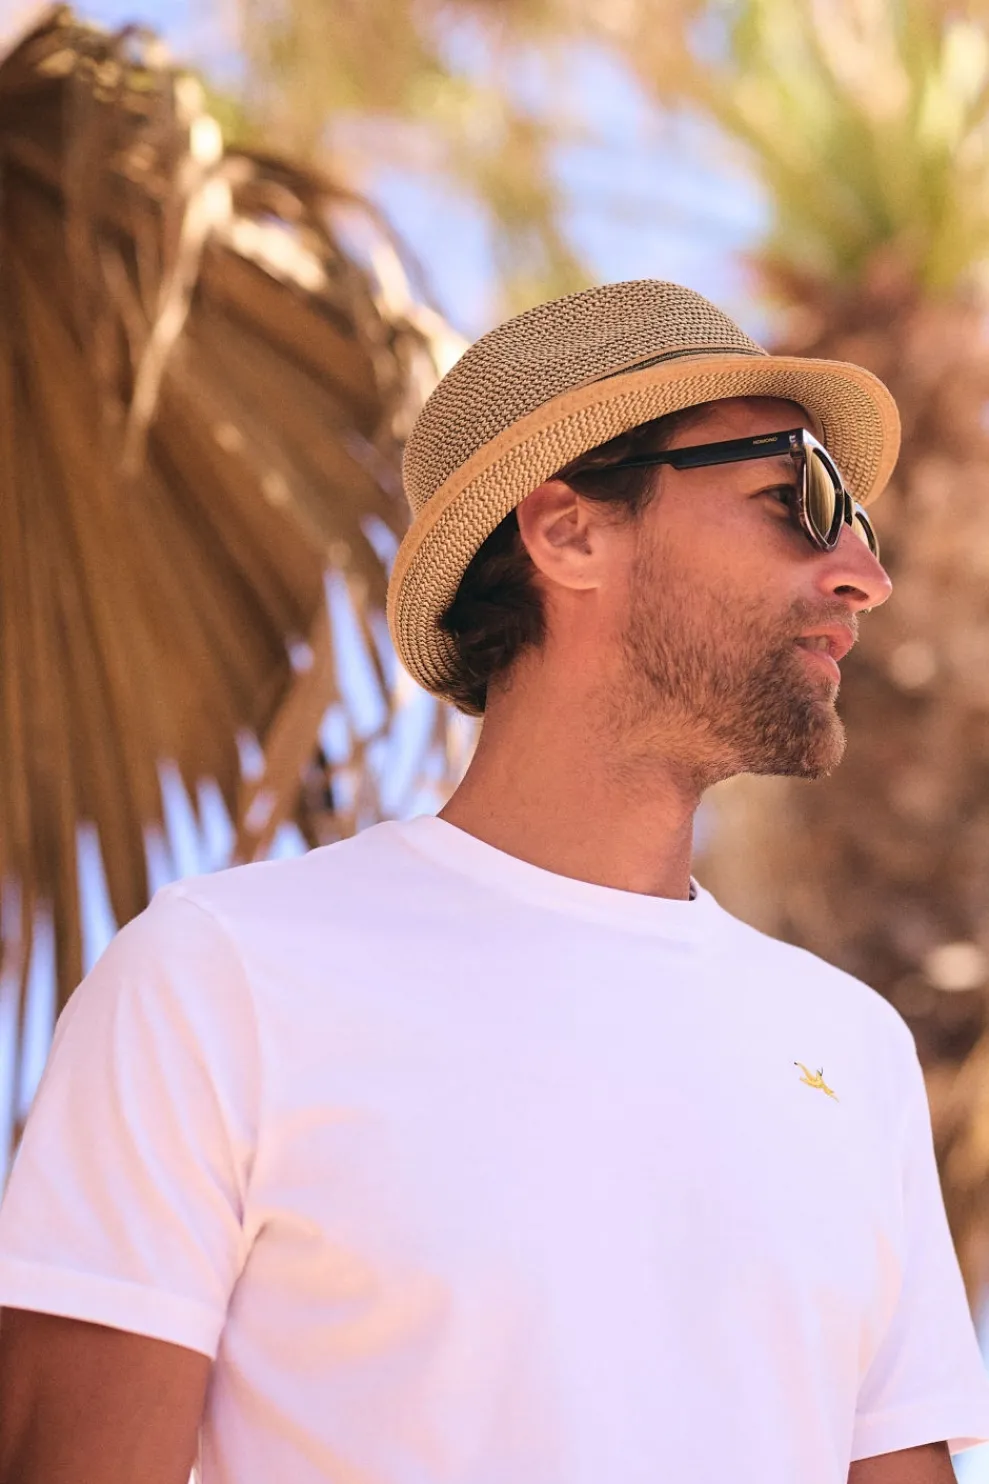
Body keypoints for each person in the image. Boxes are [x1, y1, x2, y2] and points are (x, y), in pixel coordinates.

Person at [1, 279, 987, 1484]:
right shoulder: (223, 978)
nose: (862, 573)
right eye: (800, 498)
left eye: (859, 522)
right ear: (565, 530)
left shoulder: (851, 1048)